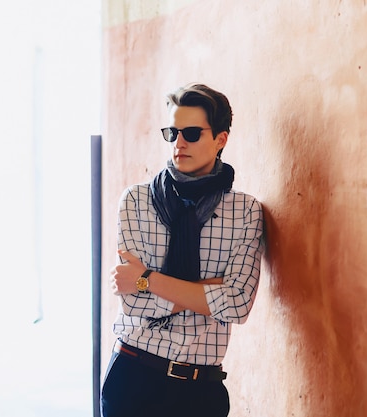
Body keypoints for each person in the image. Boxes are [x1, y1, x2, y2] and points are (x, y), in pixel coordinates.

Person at [100, 83, 265, 417]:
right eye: (172, 132)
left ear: (221, 139)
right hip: (133, 378)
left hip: (201, 390)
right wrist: (213, 288)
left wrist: (145, 278)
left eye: (191, 132)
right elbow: (134, 303)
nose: (179, 143)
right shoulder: (136, 200)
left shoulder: (245, 211)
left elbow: (237, 305)